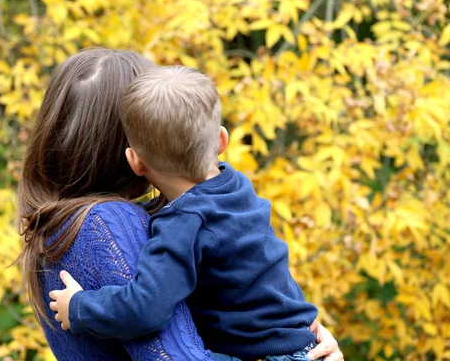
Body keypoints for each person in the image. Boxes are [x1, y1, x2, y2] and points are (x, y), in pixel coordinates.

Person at [18, 48, 344, 361]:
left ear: (136, 159)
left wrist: (79, 309)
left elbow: (148, 307)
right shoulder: (233, 186)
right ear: (221, 141)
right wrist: (298, 332)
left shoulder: (59, 229)